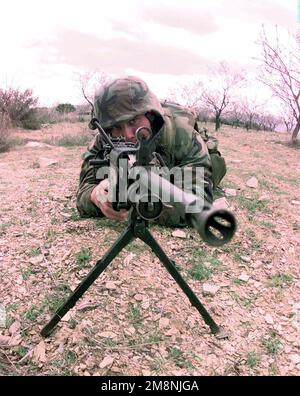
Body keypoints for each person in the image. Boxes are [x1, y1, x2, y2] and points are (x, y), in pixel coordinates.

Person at [76, 76, 226, 226]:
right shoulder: (103, 139)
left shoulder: (184, 135)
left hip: (182, 166)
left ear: (151, 116)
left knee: (215, 165)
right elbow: (84, 191)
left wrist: (141, 203)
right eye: (116, 127)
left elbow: (197, 204)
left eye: (133, 121)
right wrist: (96, 196)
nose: (128, 135)